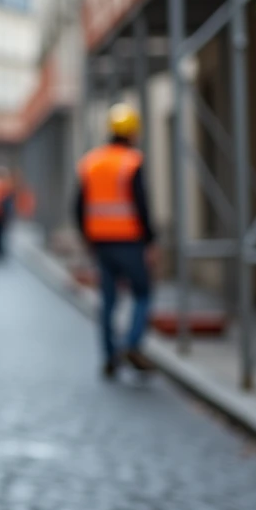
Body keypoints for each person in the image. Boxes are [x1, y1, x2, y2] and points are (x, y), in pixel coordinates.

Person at [74, 103, 158, 379]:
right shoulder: (132, 161)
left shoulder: (91, 162)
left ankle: (110, 355)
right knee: (142, 293)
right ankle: (131, 344)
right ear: (133, 132)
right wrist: (151, 239)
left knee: (108, 301)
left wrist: (87, 237)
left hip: (101, 243)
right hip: (130, 240)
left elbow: (78, 205)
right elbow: (141, 204)